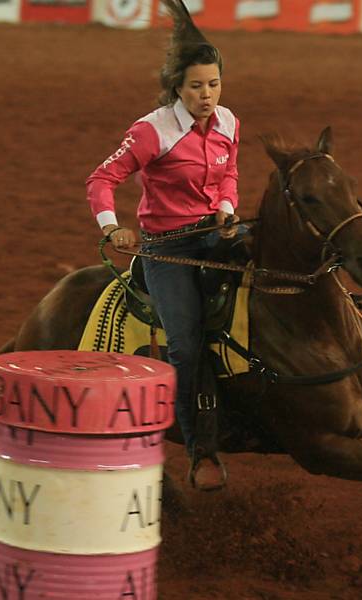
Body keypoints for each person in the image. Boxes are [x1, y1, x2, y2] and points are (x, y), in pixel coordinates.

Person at [86, 0, 238, 491]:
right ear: (178, 87)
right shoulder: (152, 131)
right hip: (165, 248)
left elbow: (230, 174)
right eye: (196, 86)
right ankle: (199, 451)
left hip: (213, 236)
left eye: (213, 84)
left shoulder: (230, 124)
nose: (207, 95)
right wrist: (113, 229)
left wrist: (229, 209)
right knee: (186, 343)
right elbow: (101, 180)